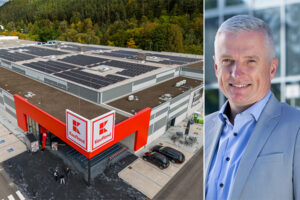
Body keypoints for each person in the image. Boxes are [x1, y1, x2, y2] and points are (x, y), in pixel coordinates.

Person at [205, 15, 300, 200]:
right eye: (227, 61)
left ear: (272, 69)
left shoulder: (296, 128)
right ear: (216, 67)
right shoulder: (206, 128)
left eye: (250, 61)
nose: (236, 73)